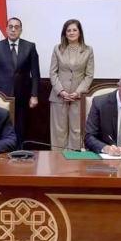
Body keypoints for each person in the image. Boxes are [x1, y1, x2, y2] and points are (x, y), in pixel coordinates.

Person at [0, 17, 40, 146]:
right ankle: (2, 150)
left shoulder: (30, 46)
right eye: (10, 27)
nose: (13, 30)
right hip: (1, 95)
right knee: (2, 125)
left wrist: (34, 95)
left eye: (16, 27)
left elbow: (35, 73)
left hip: (23, 94)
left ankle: (19, 151)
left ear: (21, 30)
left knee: (21, 126)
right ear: (6, 29)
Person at [49, 19, 94, 150]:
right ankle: (57, 159)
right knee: (59, 132)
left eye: (74, 30)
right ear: (65, 33)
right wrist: (61, 91)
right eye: (68, 30)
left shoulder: (88, 50)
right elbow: (53, 73)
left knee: (77, 131)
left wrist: (78, 93)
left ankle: (75, 160)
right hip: (59, 97)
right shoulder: (57, 49)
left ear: (80, 33)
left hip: (78, 98)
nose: (71, 32)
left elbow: (89, 75)